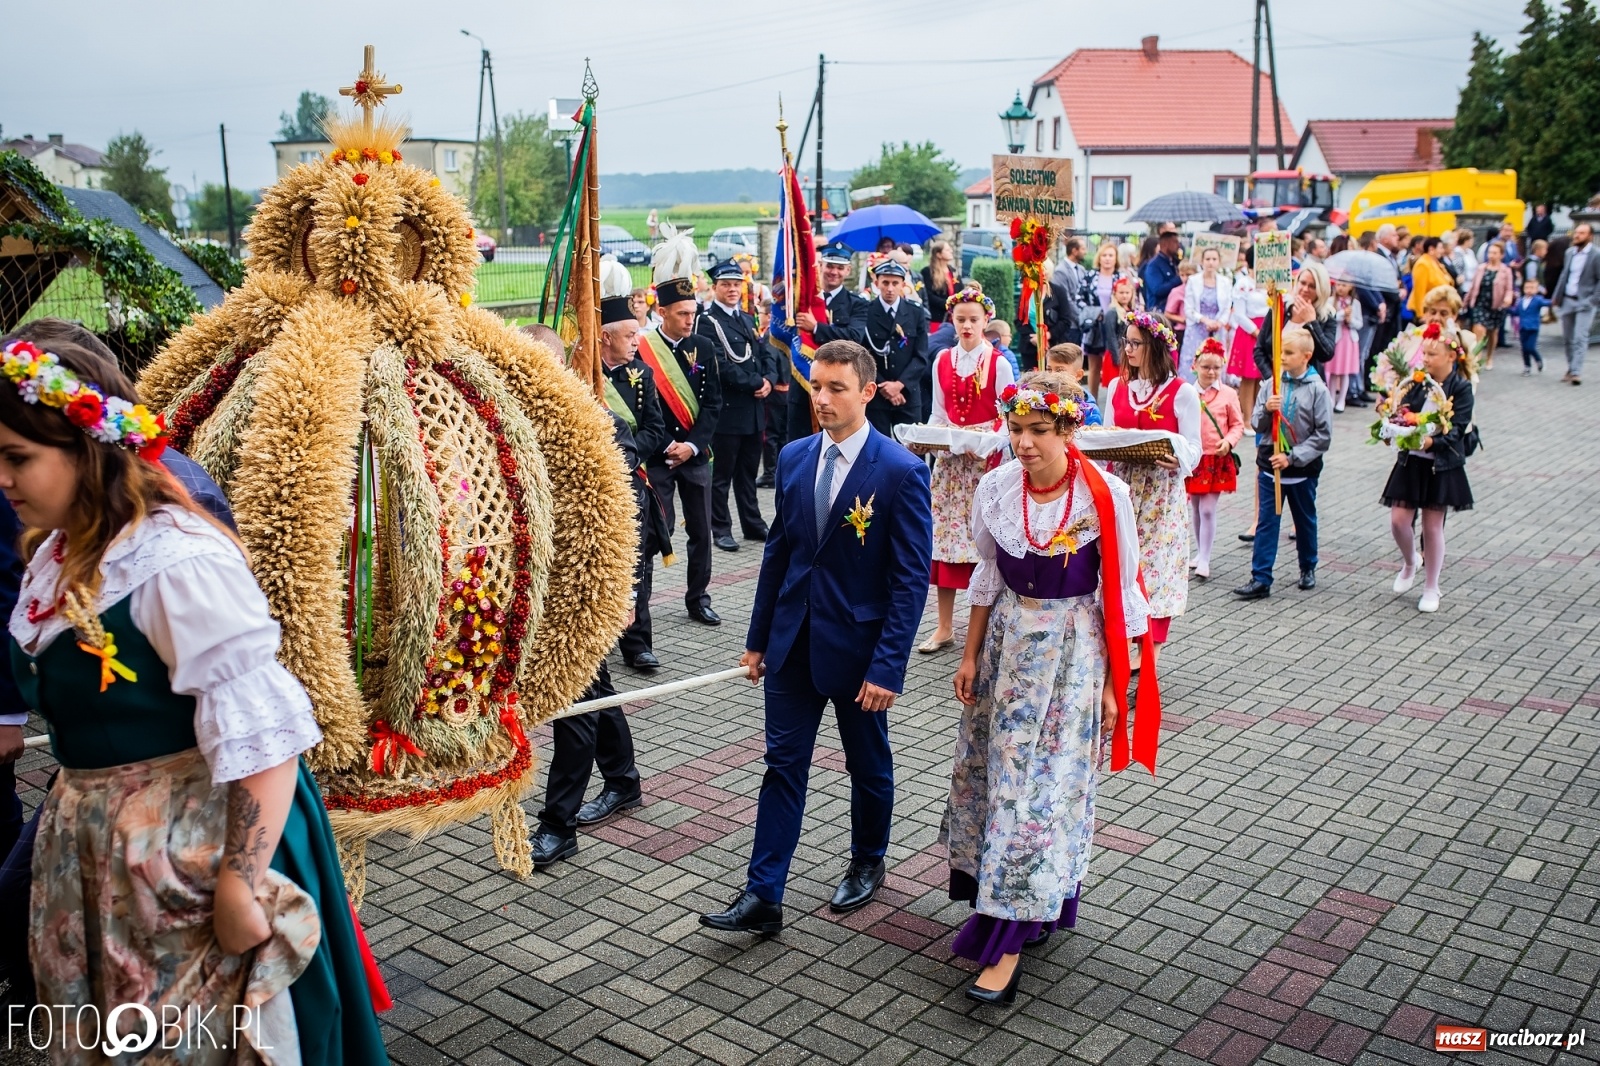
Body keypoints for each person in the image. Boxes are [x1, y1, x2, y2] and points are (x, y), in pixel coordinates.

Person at [0, 331, 389, 1061]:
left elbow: (268, 739)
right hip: (113, 843)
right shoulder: (65, 548)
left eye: (18, 459)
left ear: (86, 451)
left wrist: (239, 888)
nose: (3, 479)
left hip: (200, 845)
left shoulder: (176, 562)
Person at [700, 340, 932, 934]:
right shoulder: (798, 456)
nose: (822, 399)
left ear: (867, 392)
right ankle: (763, 895)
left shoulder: (902, 471)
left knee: (868, 764)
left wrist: (888, 668)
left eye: (835, 389)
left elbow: (909, 582)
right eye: (816, 387)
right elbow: (779, 554)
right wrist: (757, 638)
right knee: (782, 765)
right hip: (791, 644)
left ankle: (867, 860)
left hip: (858, 652)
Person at [944, 371, 1157, 1005]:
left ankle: (1005, 942)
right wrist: (970, 653)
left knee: (1039, 793)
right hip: (1008, 648)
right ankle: (1017, 905)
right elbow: (986, 573)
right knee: (996, 781)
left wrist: (1124, 688)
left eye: (1038, 431)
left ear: (1069, 429)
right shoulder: (996, 487)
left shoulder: (1106, 495)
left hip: (1071, 656)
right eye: (1016, 429)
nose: (1024, 443)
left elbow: (1123, 594)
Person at [531, 415, 647, 868]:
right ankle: (622, 779)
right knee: (594, 690)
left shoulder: (599, 426)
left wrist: (628, 593)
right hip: (541, 589)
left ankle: (558, 825)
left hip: (584, 594)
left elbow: (626, 517)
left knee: (572, 703)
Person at [919, 290, 1015, 654]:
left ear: (985, 320)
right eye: (960, 319)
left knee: (985, 545)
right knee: (944, 545)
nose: (967, 325)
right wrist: (926, 439)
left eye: (973, 319)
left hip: (985, 466)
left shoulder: (999, 363)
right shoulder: (942, 359)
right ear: (952, 321)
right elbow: (938, 413)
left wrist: (983, 442)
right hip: (950, 468)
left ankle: (988, 626)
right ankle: (944, 626)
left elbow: (1007, 419)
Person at [1103, 311, 1201, 650]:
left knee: (1156, 568)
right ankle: (1123, 642)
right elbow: (1105, 438)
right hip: (1123, 487)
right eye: (1125, 342)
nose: (1127, 349)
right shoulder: (1117, 387)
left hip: (1161, 491)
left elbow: (1195, 446)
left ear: (1155, 346)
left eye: (1135, 343)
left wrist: (1179, 459)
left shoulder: (1182, 391)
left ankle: (1149, 651)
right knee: (1120, 565)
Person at [642, 233, 725, 625]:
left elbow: (713, 404)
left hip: (693, 454)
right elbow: (642, 411)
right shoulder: (643, 350)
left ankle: (699, 597)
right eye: (682, 313)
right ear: (663, 312)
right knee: (657, 530)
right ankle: (641, 602)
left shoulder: (704, 347)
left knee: (702, 533)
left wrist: (692, 446)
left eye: (693, 312)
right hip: (658, 456)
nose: (690, 319)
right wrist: (667, 446)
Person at [597, 268, 671, 669]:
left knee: (636, 562)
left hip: (632, 482)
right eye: (629, 335)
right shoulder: (581, 376)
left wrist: (624, 457)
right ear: (605, 336)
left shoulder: (641, 374)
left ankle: (638, 642)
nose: (636, 342)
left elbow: (655, 428)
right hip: (594, 485)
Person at [1379, 322, 1476, 612]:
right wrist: (1393, 419)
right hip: (1412, 462)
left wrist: (1431, 444)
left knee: (1433, 527)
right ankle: (1410, 561)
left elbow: (1457, 430)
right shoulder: (1417, 382)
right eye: (1426, 354)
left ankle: (1432, 587)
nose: (1427, 359)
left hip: (1441, 466)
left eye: (1433, 354)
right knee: (1398, 521)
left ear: (1451, 357)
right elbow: (1403, 412)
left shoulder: (1461, 388)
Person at [1232, 326, 1333, 601]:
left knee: (1304, 520)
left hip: (1301, 470)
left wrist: (1293, 457)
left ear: (1306, 356)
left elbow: (1323, 435)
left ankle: (1307, 566)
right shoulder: (1271, 384)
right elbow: (1255, 422)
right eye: (1280, 353)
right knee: (1267, 522)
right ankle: (1260, 577)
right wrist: (1266, 410)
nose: (1283, 358)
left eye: (1289, 353)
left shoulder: (1318, 390)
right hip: (1270, 466)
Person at [701, 259, 777, 553]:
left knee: (747, 473)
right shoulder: (708, 322)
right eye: (726, 285)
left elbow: (764, 351)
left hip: (754, 411)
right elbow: (721, 366)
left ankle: (752, 523)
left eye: (736, 284)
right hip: (729, 412)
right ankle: (720, 528)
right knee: (722, 475)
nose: (732, 289)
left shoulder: (747, 318)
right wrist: (756, 383)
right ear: (715, 287)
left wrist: (769, 378)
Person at [1186, 341, 1244, 580]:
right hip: (1195, 459)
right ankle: (1199, 552)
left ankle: (1206, 558)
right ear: (1195, 365)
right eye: (1206, 367)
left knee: (1208, 509)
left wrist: (1229, 442)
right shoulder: (1188, 392)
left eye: (1216, 368)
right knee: (1197, 508)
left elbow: (1237, 424)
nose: (1211, 372)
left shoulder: (1228, 394)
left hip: (1216, 459)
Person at [862, 259, 930, 434]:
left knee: (911, 451)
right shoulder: (867, 312)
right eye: (885, 283)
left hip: (907, 393)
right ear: (877, 283)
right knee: (876, 451)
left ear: (903, 284)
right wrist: (884, 387)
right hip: (876, 394)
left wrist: (899, 385)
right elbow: (863, 355)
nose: (890, 288)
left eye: (895, 283)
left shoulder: (915, 312)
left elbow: (921, 355)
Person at [1082, 241, 1132, 396]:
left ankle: (1119, 397)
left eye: (1111, 255)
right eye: (1104, 255)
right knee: (1094, 367)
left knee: (1118, 363)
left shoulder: (1121, 276)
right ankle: (1093, 400)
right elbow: (1079, 298)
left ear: (1116, 258)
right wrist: (1093, 313)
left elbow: (1130, 295)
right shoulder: (1091, 275)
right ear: (1099, 257)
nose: (1107, 259)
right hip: (1096, 326)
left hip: (1116, 324)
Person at [1178, 246, 1233, 381]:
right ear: (1202, 261)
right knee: (1194, 362)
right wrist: (1205, 320)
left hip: (1217, 329)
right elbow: (1189, 309)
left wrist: (1219, 322)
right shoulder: (1193, 281)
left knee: (1216, 362)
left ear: (1218, 261)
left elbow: (1227, 307)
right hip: (1197, 328)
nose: (1210, 262)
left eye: (1214, 259)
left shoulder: (1225, 282)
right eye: (1207, 259)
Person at [1553, 222, 1599, 386]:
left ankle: (1576, 372)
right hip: (1568, 299)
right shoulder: (1569, 252)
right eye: (1576, 232)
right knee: (1568, 338)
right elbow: (1564, 275)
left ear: (1589, 236)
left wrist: (1593, 299)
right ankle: (1571, 367)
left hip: (1585, 302)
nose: (1577, 235)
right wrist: (1557, 296)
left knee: (1580, 337)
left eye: (1581, 233)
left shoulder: (1596, 254)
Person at [1464, 240, 1515, 371]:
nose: (1491, 255)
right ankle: (1476, 359)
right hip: (1480, 303)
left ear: (1501, 255)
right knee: (1479, 330)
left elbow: (1509, 289)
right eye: (1490, 252)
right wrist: (1466, 301)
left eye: (1495, 253)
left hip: (1496, 305)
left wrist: (1508, 298)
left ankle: (1490, 356)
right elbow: (1473, 287)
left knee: (1492, 333)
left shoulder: (1506, 270)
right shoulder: (1481, 268)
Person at [1228, 266, 1268, 424]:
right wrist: (1256, 331)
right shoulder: (1243, 284)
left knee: (1261, 375)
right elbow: (1239, 314)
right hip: (1250, 331)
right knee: (1249, 376)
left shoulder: (1269, 282)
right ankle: (1246, 419)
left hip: (1266, 328)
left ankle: (1257, 415)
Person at [1042, 343, 1103, 424]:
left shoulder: (1089, 411)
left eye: (1060, 370)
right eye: (1049, 369)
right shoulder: (1040, 400)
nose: (1053, 375)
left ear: (1078, 375)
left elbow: (1092, 434)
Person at [1328, 280, 1365, 412]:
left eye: (1344, 285)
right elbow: (1330, 318)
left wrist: (1350, 321)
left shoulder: (1355, 303)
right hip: (1336, 339)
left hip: (1349, 340)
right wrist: (1343, 314)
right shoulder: (1331, 301)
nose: (1340, 288)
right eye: (1338, 285)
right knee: (1333, 371)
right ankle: (1331, 398)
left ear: (1351, 287)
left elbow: (1359, 323)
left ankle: (1342, 399)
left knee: (1345, 372)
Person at [1407, 238, 1455, 321]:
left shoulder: (1437, 263)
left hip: (1437, 307)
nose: (1442, 251)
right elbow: (1419, 291)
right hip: (1426, 311)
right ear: (1431, 249)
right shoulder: (1423, 264)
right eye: (1440, 248)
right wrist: (1421, 314)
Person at [1515, 277, 1552, 374]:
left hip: (1533, 327)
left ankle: (1538, 359)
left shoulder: (1538, 300)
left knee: (1530, 347)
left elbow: (1547, 303)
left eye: (1532, 288)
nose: (1529, 290)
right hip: (1523, 327)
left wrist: (1555, 301)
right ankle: (1527, 366)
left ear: (1536, 290)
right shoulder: (1521, 301)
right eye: (1527, 287)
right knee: (1524, 348)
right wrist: (1505, 308)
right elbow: (1516, 312)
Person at [1142, 227, 1183, 313]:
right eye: (1175, 242)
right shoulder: (1153, 266)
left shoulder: (1176, 262)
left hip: (1176, 310)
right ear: (1165, 244)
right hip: (1160, 311)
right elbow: (1157, 290)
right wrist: (1179, 279)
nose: (1178, 245)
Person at [920, 240, 960, 323]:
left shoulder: (953, 271)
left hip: (953, 317)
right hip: (936, 317)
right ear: (938, 254)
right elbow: (928, 295)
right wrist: (948, 304)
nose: (951, 251)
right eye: (947, 250)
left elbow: (960, 291)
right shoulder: (927, 272)